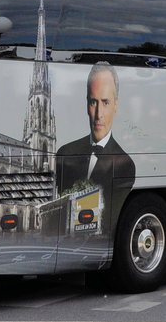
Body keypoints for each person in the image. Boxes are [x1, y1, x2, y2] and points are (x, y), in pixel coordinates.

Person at [55, 62, 136, 212]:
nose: (99, 114)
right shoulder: (64, 153)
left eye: (105, 103)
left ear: (116, 106)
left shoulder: (125, 165)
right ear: (87, 105)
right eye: (93, 102)